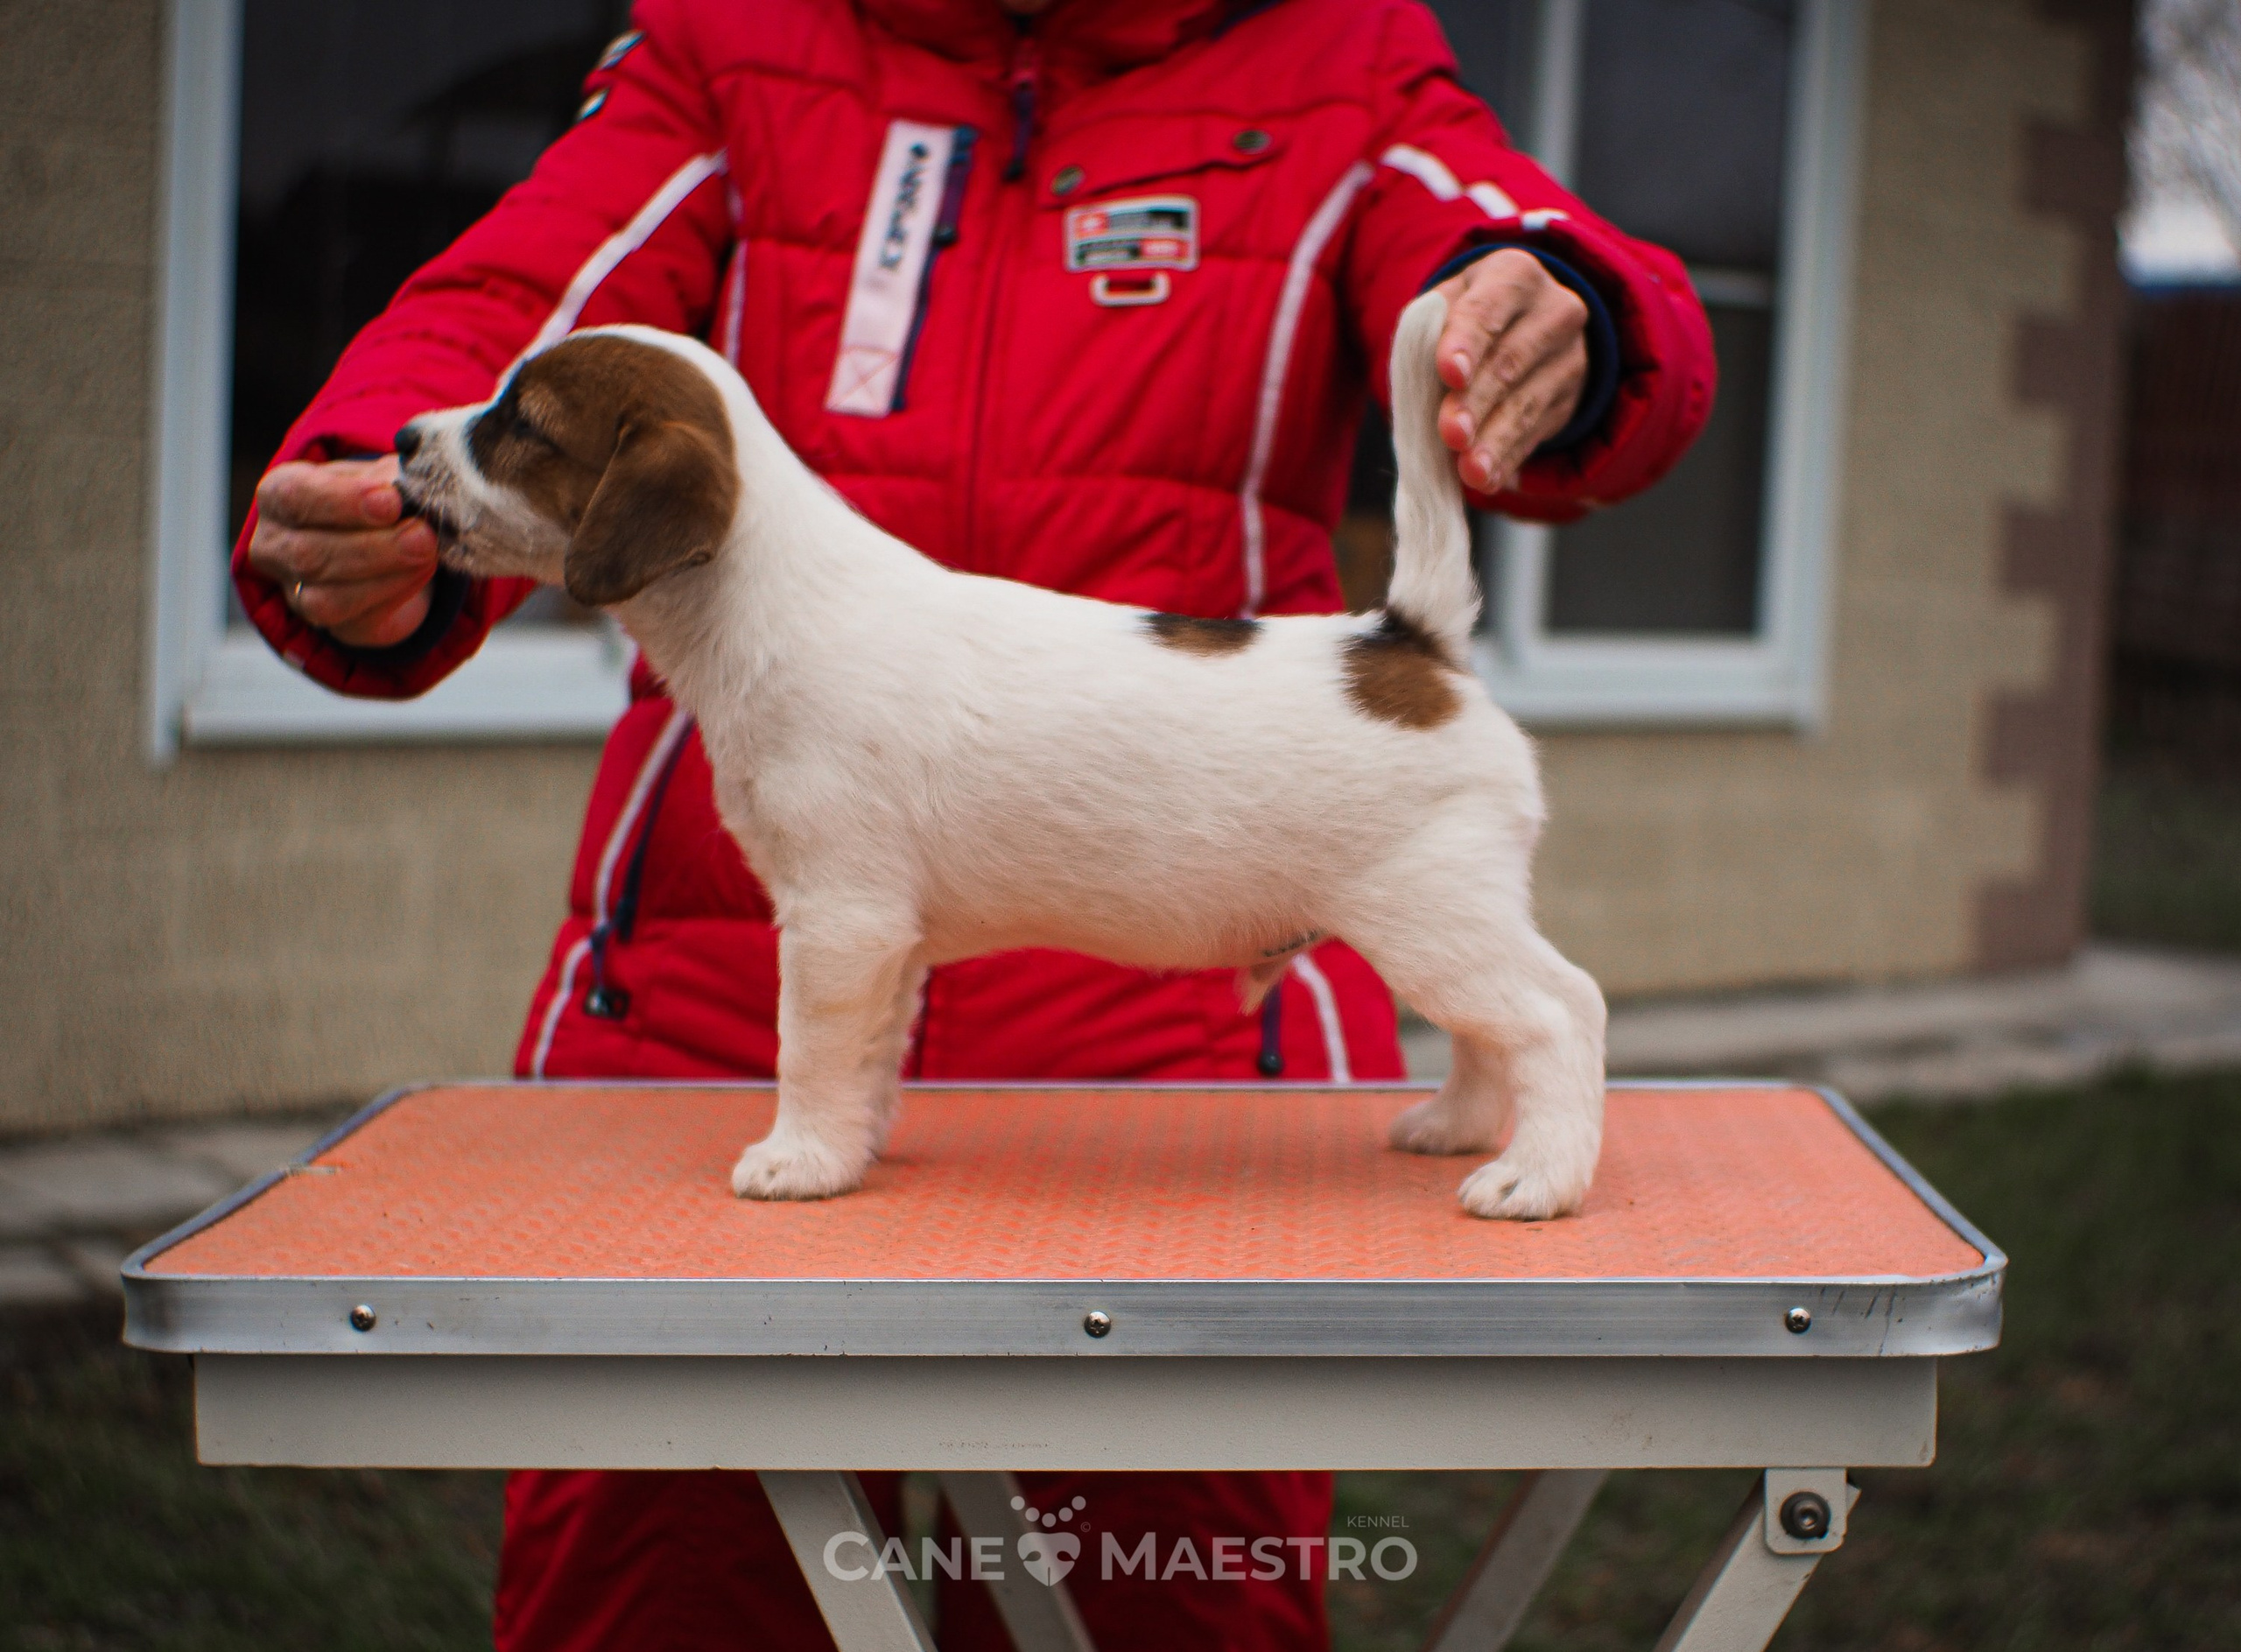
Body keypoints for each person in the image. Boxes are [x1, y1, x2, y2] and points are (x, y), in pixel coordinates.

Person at [237, 0, 1714, 1645]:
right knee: (683, 1586)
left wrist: (1561, 304)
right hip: (693, 1028)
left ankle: (1525, 1067)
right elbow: (522, 312)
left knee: (1152, 1598)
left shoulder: (1344, 57)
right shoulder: (731, 45)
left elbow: (1503, 238)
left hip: (1189, 1052)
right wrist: (375, 485)